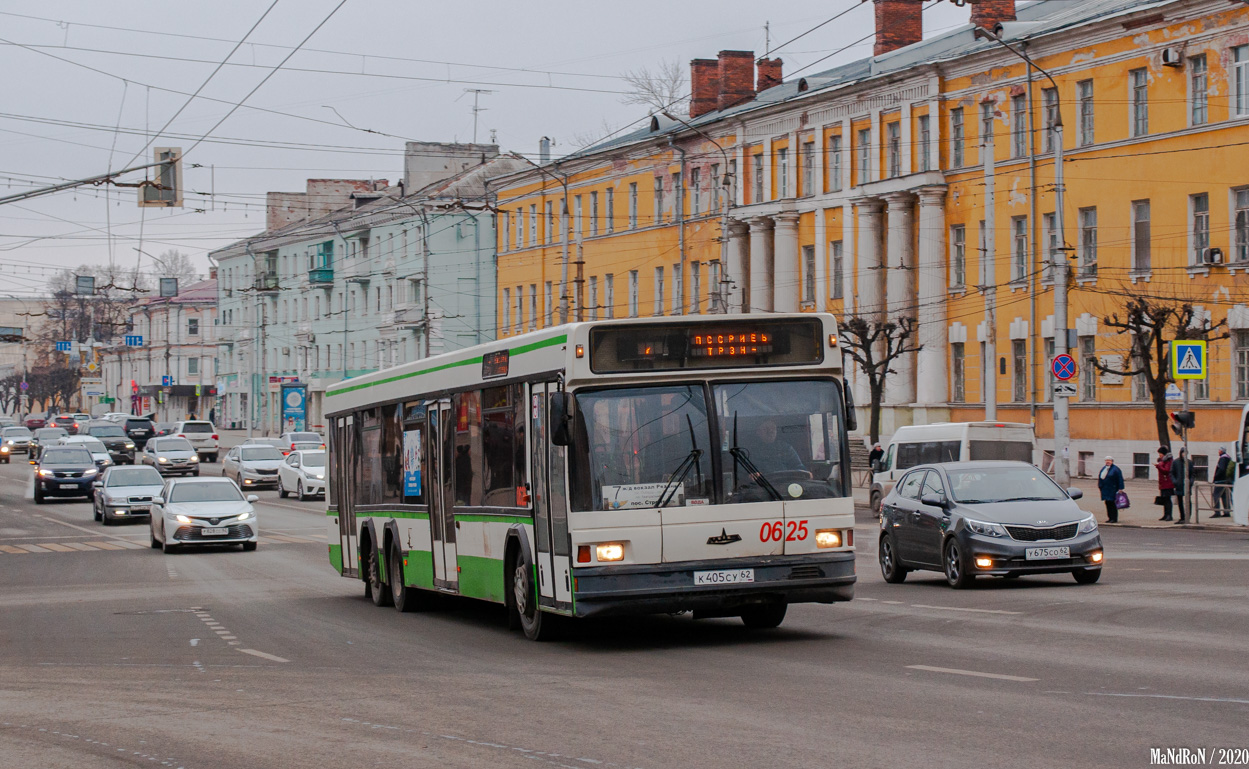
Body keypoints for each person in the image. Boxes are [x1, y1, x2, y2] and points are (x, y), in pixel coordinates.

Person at [740, 418, 805, 475]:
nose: (770, 431)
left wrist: (805, 472)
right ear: (758, 432)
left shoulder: (786, 448)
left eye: (773, 428)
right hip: (761, 486)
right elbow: (743, 472)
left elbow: (798, 466)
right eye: (766, 429)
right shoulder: (749, 451)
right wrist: (751, 475)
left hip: (786, 484)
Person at [1097, 456, 1125, 523]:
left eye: (1109, 460)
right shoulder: (1104, 468)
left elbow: (1120, 479)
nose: (1108, 462)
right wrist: (1100, 486)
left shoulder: (1116, 469)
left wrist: (1120, 488)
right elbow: (1100, 478)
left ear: (1112, 461)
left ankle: (1114, 518)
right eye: (1106, 460)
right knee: (1107, 503)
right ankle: (1109, 518)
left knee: (1112, 504)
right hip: (1105, 489)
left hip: (1113, 489)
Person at [1170, 447, 1192, 524]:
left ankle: (1188, 517)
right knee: (1180, 501)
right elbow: (1172, 473)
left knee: (1188, 501)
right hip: (1179, 485)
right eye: (1183, 453)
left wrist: (1190, 482)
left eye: (1185, 453)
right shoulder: (1176, 462)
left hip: (1187, 485)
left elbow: (1192, 474)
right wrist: (1175, 481)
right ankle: (1182, 517)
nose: (1184, 454)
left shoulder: (1189, 462)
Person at [1155, 446, 1175, 522]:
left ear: (1163, 454)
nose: (1159, 455)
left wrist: (1158, 466)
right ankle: (1165, 514)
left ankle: (1169, 515)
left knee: (1167, 500)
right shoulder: (1163, 461)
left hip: (1168, 483)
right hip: (1163, 483)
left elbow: (1166, 470)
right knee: (1164, 499)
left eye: (1160, 453)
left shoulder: (1168, 461)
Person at [1212, 448, 1232, 518]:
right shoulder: (1228, 458)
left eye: (1219, 450)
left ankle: (1217, 512)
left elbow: (1221, 469)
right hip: (1226, 480)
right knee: (1224, 496)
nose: (1218, 451)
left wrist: (1215, 477)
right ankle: (1227, 511)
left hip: (1220, 480)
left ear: (1221, 451)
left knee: (1215, 495)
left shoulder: (1222, 459)